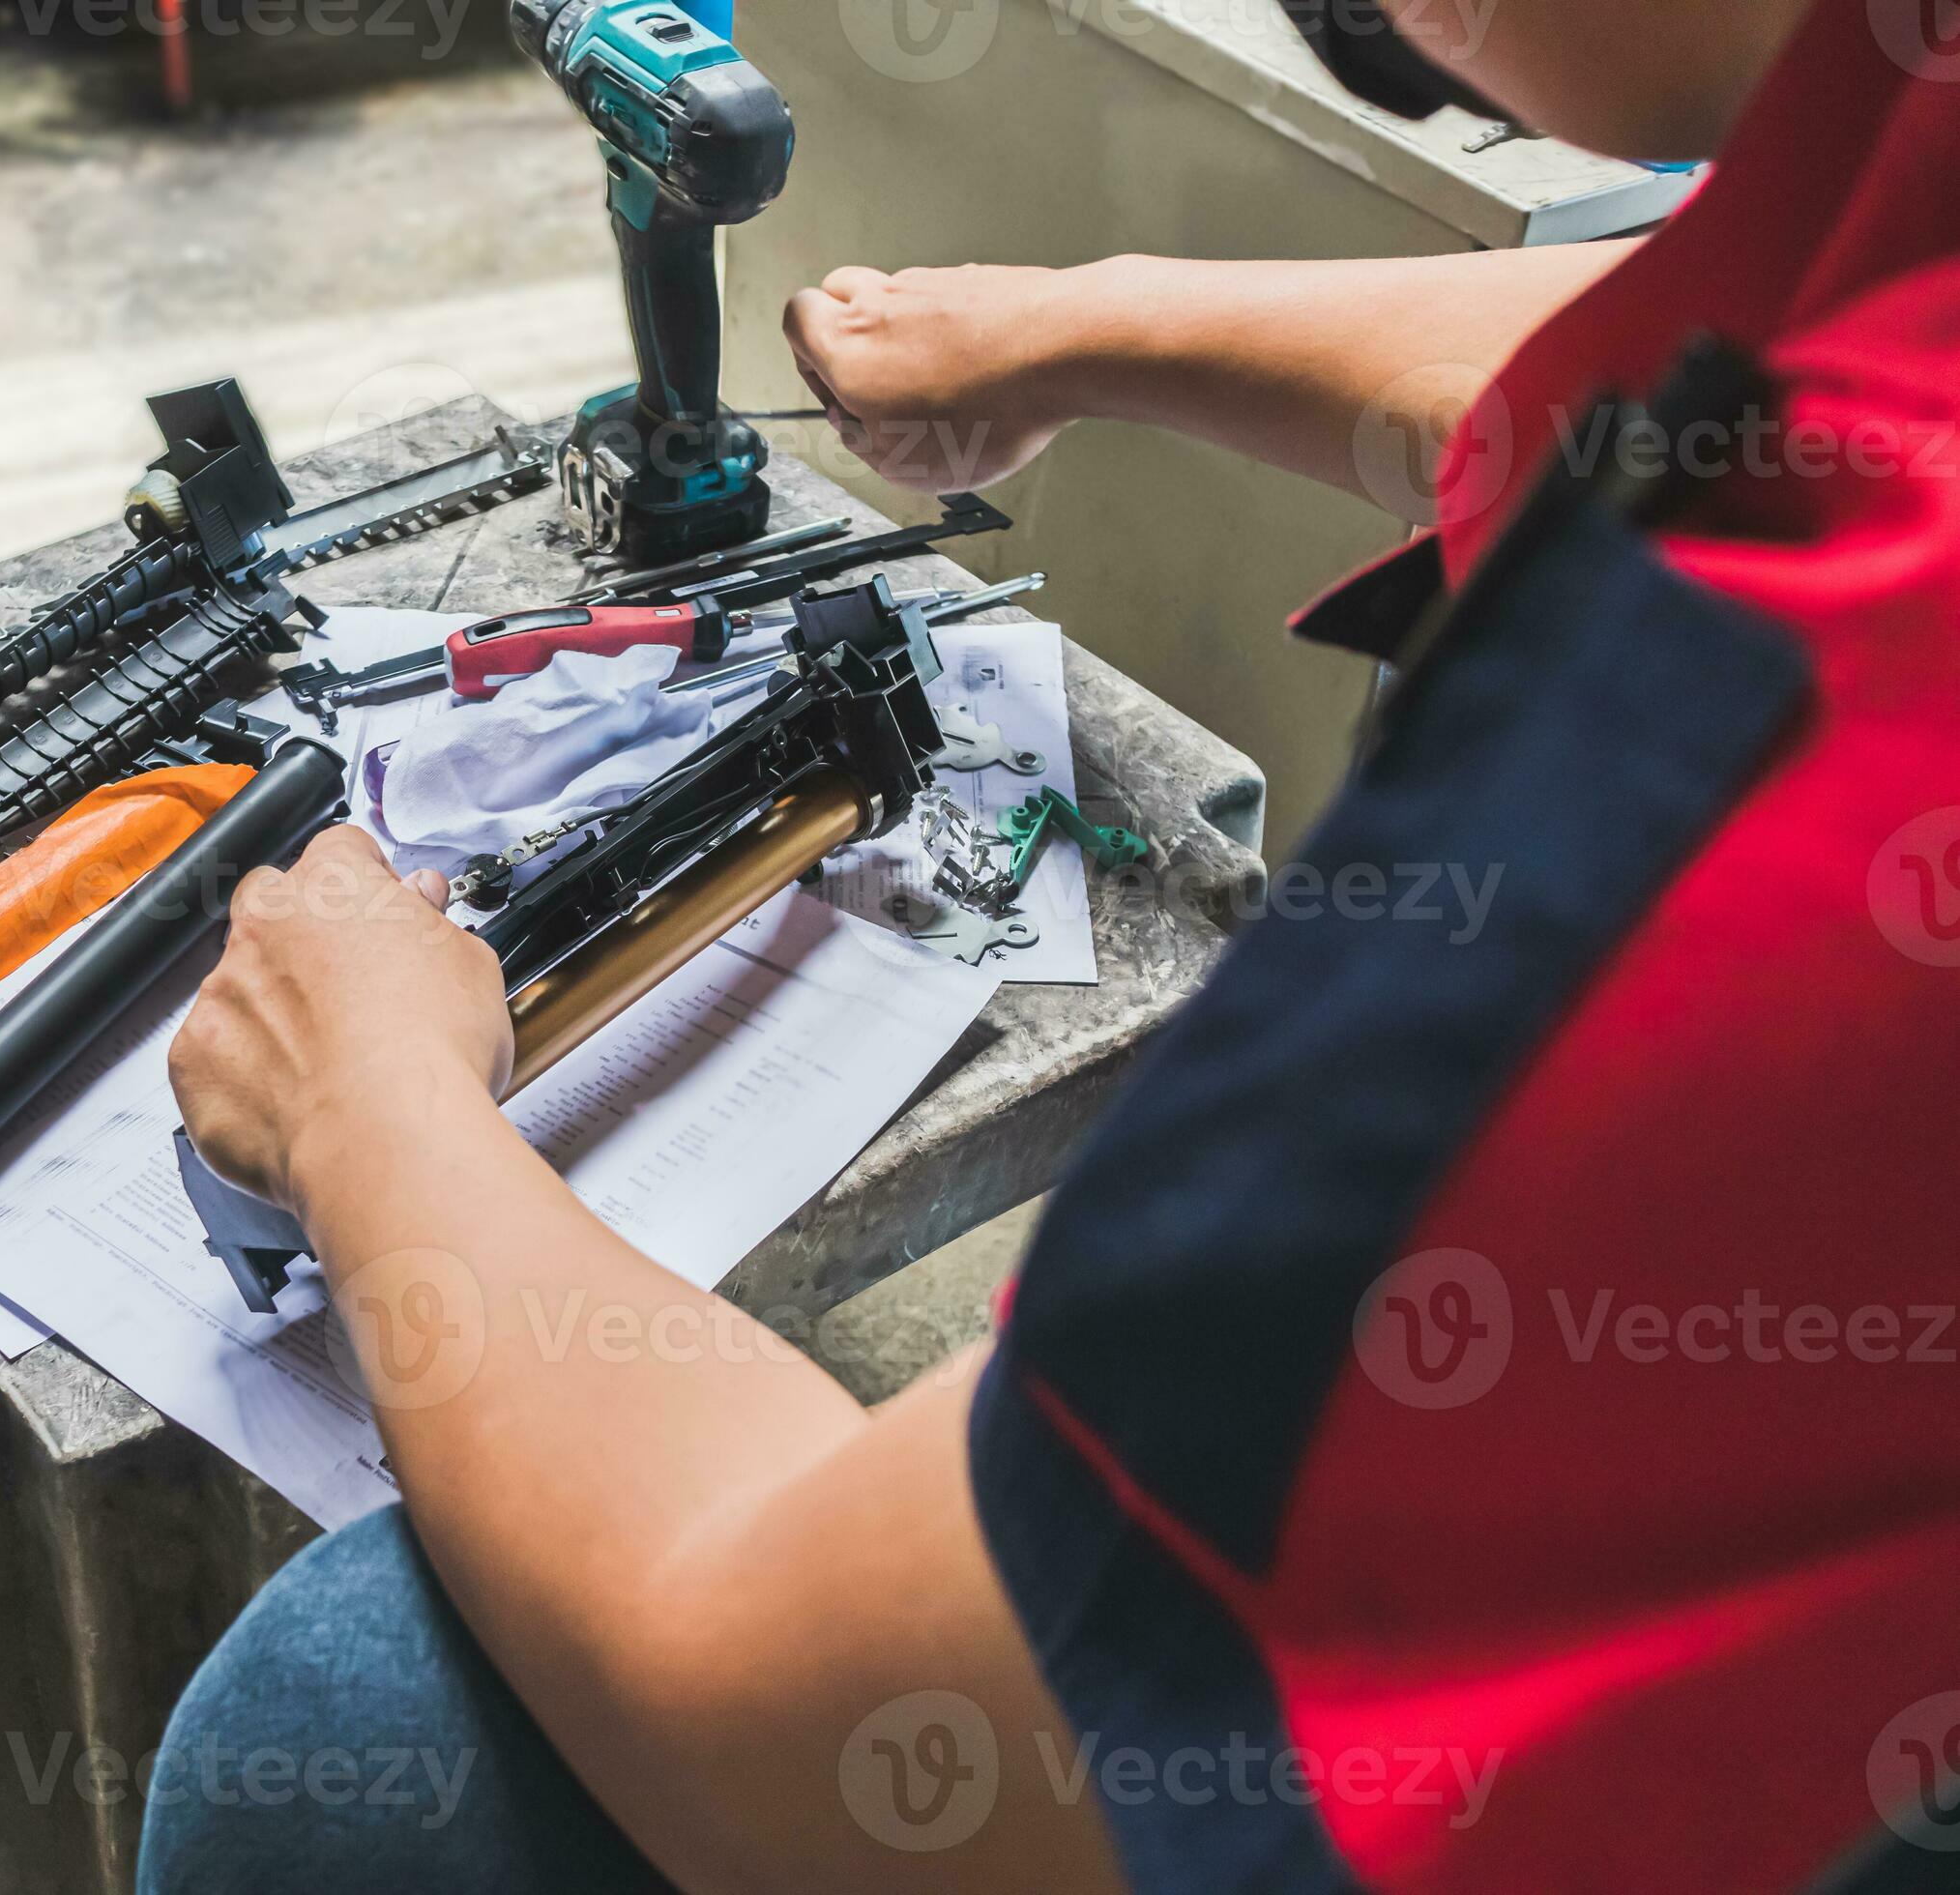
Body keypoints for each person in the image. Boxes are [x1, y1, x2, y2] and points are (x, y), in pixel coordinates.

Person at [141, 0, 1960, 1886]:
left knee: (351, 1728)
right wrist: (1076, 324)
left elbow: (831, 1714)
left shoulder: (1773, 749)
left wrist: (365, 1102)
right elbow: (1721, 349)